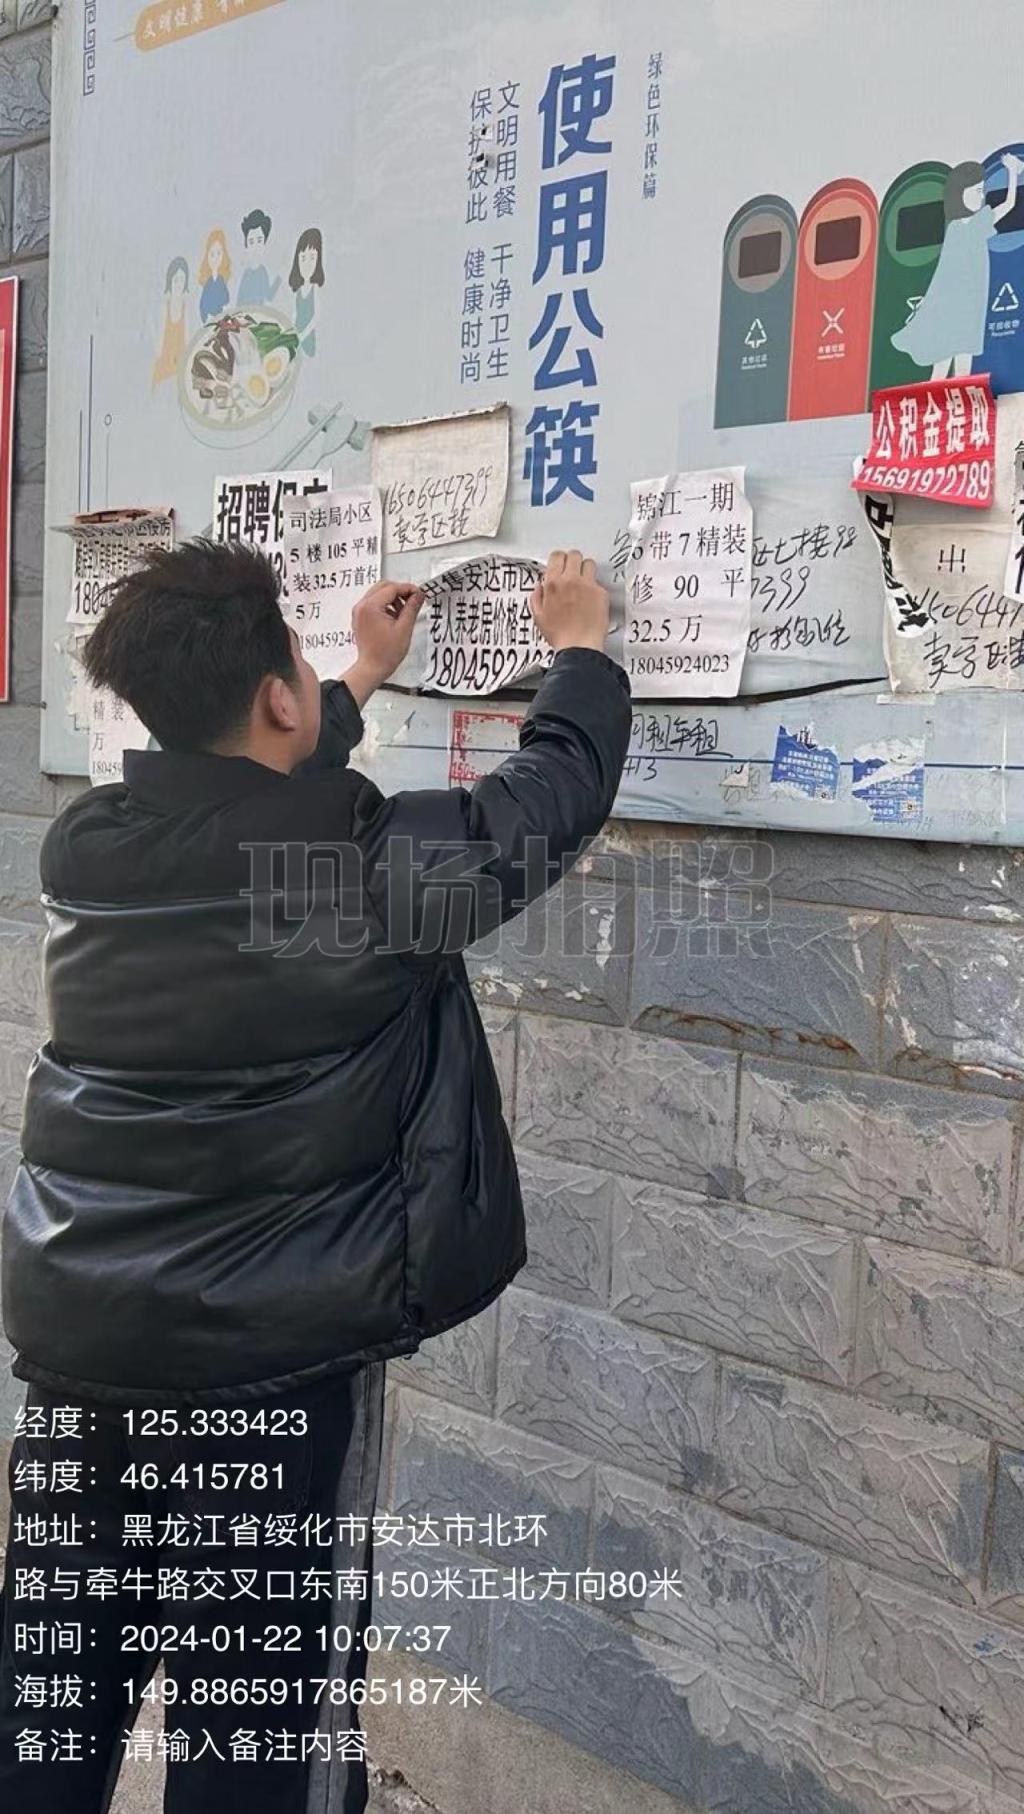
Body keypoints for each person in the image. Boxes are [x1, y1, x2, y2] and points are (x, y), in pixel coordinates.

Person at [0, 541, 631, 1813]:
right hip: (271, 1381)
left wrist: (352, 677)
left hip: (83, 1358)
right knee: (259, 1739)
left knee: (50, 1705)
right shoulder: (356, 867)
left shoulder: (91, 847)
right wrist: (580, 652)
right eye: (294, 655)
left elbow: (241, 801)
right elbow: (535, 808)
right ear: (273, 698)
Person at [891, 151, 1024, 377]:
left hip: (970, 302)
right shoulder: (959, 228)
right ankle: (940, 393)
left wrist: (1013, 173)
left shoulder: (975, 222)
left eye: (982, 191)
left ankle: (957, 390)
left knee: (963, 357)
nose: (980, 197)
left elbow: (1009, 204)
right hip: (957, 304)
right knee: (944, 358)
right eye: (976, 191)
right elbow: (945, 271)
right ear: (959, 194)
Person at [151, 256, 190, 389]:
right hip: (164, 368)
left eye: (182, 280)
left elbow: (187, 343)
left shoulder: (186, 309)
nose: (179, 285)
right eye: (176, 280)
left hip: (179, 370)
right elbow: (158, 348)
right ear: (170, 281)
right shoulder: (164, 309)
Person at [289, 226, 325, 355]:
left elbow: (316, 316)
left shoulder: (314, 289)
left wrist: (304, 334)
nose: (307, 264)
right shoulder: (299, 290)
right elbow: (295, 312)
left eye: (312, 258)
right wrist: (292, 330)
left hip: (307, 336)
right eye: (303, 258)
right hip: (297, 332)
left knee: (308, 357)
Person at [236, 209, 280, 310]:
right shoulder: (247, 274)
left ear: (265, 243)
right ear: (246, 245)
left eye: (259, 241)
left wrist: (279, 278)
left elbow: (268, 297)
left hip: (258, 314)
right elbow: (239, 301)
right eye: (251, 242)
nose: (255, 247)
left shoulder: (262, 272)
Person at [197, 227, 231, 324]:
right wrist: (206, 318)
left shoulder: (221, 281)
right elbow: (202, 304)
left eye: (218, 253)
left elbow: (225, 300)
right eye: (212, 254)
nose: (215, 258)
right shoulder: (208, 283)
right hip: (209, 321)